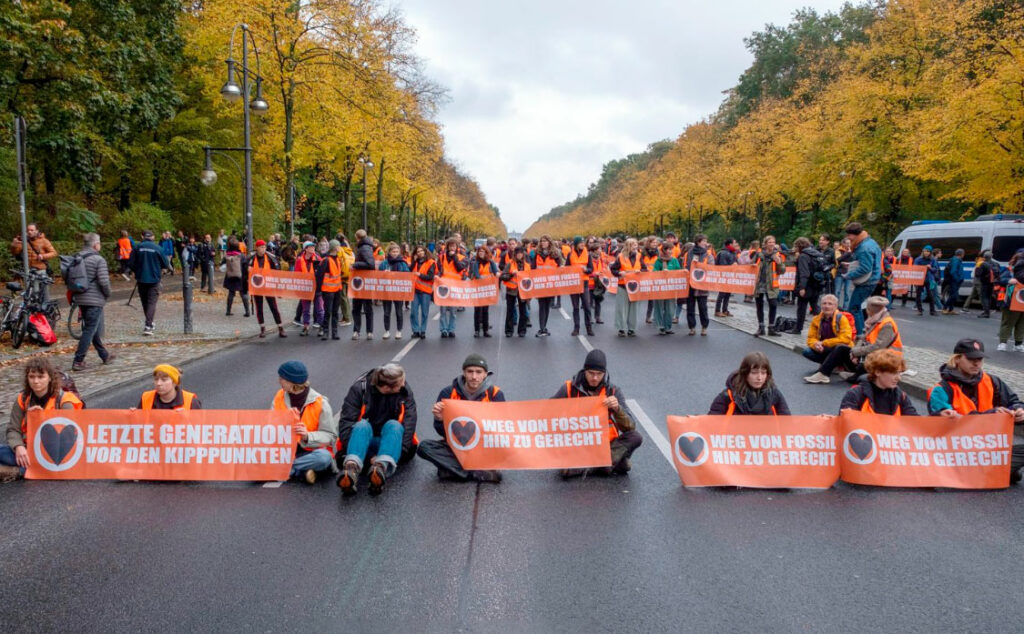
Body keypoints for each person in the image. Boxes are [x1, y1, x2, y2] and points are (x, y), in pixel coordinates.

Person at [928, 339, 1024, 483]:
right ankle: (992, 472)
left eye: (979, 359)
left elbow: (1013, 402)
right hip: (958, 454)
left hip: (988, 450)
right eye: (971, 359)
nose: (976, 363)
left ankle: (993, 471)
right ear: (957, 359)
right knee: (1008, 474)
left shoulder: (992, 381)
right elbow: (944, 425)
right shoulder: (941, 390)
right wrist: (990, 415)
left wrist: (1018, 411)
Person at [552, 349, 642, 477]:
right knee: (564, 470)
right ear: (584, 371)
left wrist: (617, 409)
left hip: (604, 444)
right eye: (591, 373)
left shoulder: (613, 390)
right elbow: (547, 414)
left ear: (605, 373)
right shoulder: (569, 388)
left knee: (635, 437)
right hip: (579, 443)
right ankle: (608, 465)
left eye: (599, 374)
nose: (595, 378)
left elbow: (630, 426)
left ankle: (593, 466)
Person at [416, 354, 504, 483]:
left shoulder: (495, 394)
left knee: (502, 451)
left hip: (484, 446)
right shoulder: (448, 393)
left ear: (486, 374)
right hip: (457, 446)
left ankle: (453, 470)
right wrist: (440, 419)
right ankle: (474, 472)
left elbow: (501, 429)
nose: (474, 377)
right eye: (470, 372)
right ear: (464, 373)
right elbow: (442, 432)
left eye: (479, 372)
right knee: (424, 447)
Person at [336, 364, 418, 495]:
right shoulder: (359, 389)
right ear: (386, 388)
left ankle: (379, 468)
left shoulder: (404, 390)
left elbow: (410, 422)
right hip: (362, 443)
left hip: (391, 442)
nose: (403, 385)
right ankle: (351, 470)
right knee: (362, 425)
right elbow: (346, 425)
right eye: (400, 384)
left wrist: (401, 449)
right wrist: (370, 455)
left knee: (394, 425)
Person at [0, 358, 84, 481]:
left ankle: (19, 472)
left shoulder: (65, 401)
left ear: (50, 378)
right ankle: (28, 469)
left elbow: (68, 437)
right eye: (32, 377)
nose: (36, 381)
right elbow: (13, 429)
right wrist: (18, 447)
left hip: (57, 454)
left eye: (41, 377)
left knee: (62, 466)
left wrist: (42, 418)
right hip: (28, 452)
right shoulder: (22, 399)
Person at [808, 296, 902, 384]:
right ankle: (823, 374)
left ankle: (855, 376)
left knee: (862, 374)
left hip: (887, 359)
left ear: (870, 310)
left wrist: (856, 352)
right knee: (840, 348)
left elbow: (878, 347)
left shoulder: (887, 324)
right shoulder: (875, 320)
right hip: (873, 355)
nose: (866, 311)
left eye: (867, 309)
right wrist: (855, 352)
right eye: (824, 303)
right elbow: (863, 339)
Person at [272, 361, 337, 484]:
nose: (279, 381)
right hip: (285, 451)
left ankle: (283, 470)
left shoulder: (321, 403)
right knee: (254, 454)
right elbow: (269, 425)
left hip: (310, 453)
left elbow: (330, 436)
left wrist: (307, 436)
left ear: (291, 382)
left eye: (281, 378)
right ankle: (300, 472)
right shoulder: (279, 396)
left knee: (324, 458)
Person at [71, 233, 114, 371]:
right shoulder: (98, 259)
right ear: (96, 244)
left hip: (81, 298)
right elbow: (103, 281)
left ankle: (104, 355)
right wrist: (108, 293)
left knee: (91, 327)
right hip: (94, 299)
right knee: (89, 330)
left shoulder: (77, 257)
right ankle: (78, 360)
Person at [708, 352, 791, 415]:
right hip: (736, 436)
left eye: (763, 373)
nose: (759, 377)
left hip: (766, 436)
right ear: (745, 373)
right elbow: (712, 423)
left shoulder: (774, 393)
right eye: (754, 373)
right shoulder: (728, 396)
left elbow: (786, 423)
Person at [839, 349, 918, 415]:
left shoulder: (901, 396)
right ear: (878, 372)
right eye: (894, 373)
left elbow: (914, 422)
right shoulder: (855, 394)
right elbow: (846, 423)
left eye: (899, 373)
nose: (899, 378)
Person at [802, 294, 855, 384]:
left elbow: (846, 339)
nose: (827, 306)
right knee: (807, 352)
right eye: (824, 303)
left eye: (830, 304)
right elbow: (810, 338)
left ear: (835, 306)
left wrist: (824, 343)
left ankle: (823, 374)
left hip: (842, 350)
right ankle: (830, 365)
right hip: (825, 348)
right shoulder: (816, 319)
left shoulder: (842, 318)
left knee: (839, 347)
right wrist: (816, 345)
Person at [841, 223, 882, 335]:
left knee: (854, 308)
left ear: (855, 234)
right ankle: (864, 331)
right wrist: (851, 265)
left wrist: (849, 275)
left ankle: (860, 334)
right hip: (873, 279)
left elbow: (865, 268)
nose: (848, 238)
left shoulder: (863, 248)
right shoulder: (870, 242)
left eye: (849, 235)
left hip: (867, 281)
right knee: (860, 307)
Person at [129, 229, 172, 336]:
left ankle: (149, 323)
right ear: (152, 237)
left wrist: (137, 270)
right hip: (154, 279)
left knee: (145, 302)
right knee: (152, 302)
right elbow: (166, 263)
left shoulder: (137, 247)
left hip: (141, 279)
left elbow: (130, 263)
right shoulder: (158, 248)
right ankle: (148, 326)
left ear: (142, 236)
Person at [249, 240, 287, 338]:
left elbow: (277, 273)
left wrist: (279, 289)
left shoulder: (270, 258)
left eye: (264, 247)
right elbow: (245, 272)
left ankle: (280, 328)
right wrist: (247, 270)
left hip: (269, 287)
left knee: (274, 307)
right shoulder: (251, 259)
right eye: (261, 247)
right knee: (259, 308)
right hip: (257, 287)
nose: (263, 249)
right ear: (256, 248)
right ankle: (262, 328)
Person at [752, 235, 786, 337]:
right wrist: (753, 266)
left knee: (773, 304)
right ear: (765, 244)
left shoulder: (777, 255)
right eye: (770, 242)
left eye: (773, 242)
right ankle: (761, 327)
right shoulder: (759, 254)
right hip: (760, 283)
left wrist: (779, 263)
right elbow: (750, 265)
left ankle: (771, 328)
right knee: (759, 305)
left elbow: (782, 271)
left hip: (771, 285)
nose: (772, 244)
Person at [610, 237, 644, 337]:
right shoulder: (620, 256)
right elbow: (613, 269)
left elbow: (645, 269)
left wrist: (640, 272)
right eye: (633, 245)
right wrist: (620, 273)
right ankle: (621, 328)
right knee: (622, 308)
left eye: (636, 245)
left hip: (636, 287)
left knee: (634, 309)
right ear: (628, 246)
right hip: (623, 286)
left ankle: (632, 329)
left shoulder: (639, 256)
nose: (636, 247)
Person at [531, 235, 563, 337]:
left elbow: (560, 266)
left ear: (549, 242)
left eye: (545, 241)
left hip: (550, 284)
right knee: (541, 306)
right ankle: (542, 328)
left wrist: (561, 268)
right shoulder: (537, 254)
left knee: (547, 306)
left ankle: (544, 327)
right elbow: (532, 268)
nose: (543, 243)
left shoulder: (555, 254)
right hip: (540, 284)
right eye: (542, 241)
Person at [375, 242, 409, 340]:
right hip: (387, 292)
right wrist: (383, 273)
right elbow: (378, 275)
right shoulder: (384, 263)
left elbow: (407, 275)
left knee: (399, 312)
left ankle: (399, 331)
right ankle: (387, 331)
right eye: (393, 251)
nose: (395, 253)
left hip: (398, 292)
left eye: (397, 251)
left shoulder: (402, 263)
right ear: (389, 252)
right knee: (386, 312)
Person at [315, 240, 346, 341]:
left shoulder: (337, 259)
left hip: (337, 289)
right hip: (327, 290)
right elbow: (319, 276)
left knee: (335, 312)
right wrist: (319, 290)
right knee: (328, 312)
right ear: (334, 248)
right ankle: (325, 332)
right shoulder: (326, 260)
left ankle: (334, 332)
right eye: (338, 246)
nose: (340, 248)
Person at [437, 238, 467, 338]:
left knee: (453, 311)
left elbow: (459, 268)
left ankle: (452, 329)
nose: (452, 248)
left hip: (455, 287)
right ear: (447, 247)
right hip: (443, 286)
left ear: (457, 247)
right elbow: (439, 270)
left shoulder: (462, 257)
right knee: (443, 310)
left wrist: (454, 257)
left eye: (454, 246)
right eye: (450, 246)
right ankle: (443, 329)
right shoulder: (442, 257)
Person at [649, 241, 681, 335]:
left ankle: (668, 327)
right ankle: (660, 327)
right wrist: (662, 272)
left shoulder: (674, 260)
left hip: (671, 288)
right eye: (669, 249)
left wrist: (672, 273)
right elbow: (654, 272)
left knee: (670, 308)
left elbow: (679, 272)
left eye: (672, 249)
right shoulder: (658, 261)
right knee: (659, 307)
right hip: (660, 288)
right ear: (664, 250)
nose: (671, 251)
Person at [792, 237, 823, 334]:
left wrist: (802, 287)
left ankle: (798, 328)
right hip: (816, 283)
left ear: (799, 246)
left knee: (801, 307)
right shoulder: (816, 253)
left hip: (807, 285)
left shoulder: (803, 256)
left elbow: (804, 273)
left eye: (796, 246)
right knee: (815, 306)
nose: (795, 248)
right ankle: (826, 325)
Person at [684, 234, 713, 336]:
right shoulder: (689, 253)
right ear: (698, 242)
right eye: (704, 241)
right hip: (691, 284)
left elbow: (712, 267)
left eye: (706, 241)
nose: (706, 243)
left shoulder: (708, 255)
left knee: (703, 307)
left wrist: (702, 266)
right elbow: (685, 266)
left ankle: (704, 327)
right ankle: (692, 327)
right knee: (690, 307)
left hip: (703, 284)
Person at [137, 364, 201, 410]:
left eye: (164, 380)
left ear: (174, 382)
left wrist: (185, 419)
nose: (158, 383)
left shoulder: (191, 401)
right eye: (156, 379)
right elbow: (138, 424)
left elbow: (200, 426)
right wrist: (132, 416)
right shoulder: (146, 398)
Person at [566, 237, 594, 337]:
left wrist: (586, 269)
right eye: (581, 243)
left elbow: (591, 269)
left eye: (583, 243)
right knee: (576, 307)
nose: (583, 244)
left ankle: (589, 328)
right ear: (576, 244)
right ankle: (576, 328)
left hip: (584, 283)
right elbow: (566, 268)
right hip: (574, 283)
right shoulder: (570, 254)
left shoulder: (588, 254)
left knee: (587, 306)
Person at [997, 249, 1024, 351]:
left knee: (1021, 323)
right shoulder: (1010, 269)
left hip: (1021, 300)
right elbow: (999, 280)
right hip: (1010, 300)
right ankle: (1003, 342)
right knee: (1008, 322)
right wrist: (1009, 280)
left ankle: (1018, 343)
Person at [501, 246, 531, 337]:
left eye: (521, 253)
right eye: (518, 253)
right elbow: (503, 276)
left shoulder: (527, 265)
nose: (519, 255)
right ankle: (509, 330)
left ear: (523, 255)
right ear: (515, 254)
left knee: (523, 311)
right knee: (510, 310)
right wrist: (511, 274)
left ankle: (522, 330)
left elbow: (530, 278)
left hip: (523, 290)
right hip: (511, 290)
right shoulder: (510, 264)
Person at [470, 244, 498, 338]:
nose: (481, 253)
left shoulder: (491, 263)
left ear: (486, 253)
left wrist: (498, 274)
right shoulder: (476, 263)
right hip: (478, 289)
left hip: (487, 290)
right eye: (479, 252)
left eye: (483, 251)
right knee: (477, 310)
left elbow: (496, 272)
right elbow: (477, 275)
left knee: (485, 310)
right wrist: (486, 278)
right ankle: (477, 330)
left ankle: (486, 330)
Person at [410, 245, 435, 338]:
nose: (419, 253)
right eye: (418, 251)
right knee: (413, 312)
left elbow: (430, 276)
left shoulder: (431, 262)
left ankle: (423, 330)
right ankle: (415, 330)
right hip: (415, 291)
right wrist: (414, 261)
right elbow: (408, 271)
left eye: (421, 251)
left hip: (425, 291)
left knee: (424, 312)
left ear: (425, 252)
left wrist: (420, 275)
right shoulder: (414, 262)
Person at [222, 236, 250, 318]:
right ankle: (247, 311)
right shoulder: (241, 256)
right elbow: (246, 267)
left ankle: (228, 311)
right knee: (243, 294)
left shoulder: (227, 255)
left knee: (231, 293)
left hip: (230, 276)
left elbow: (222, 265)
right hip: (240, 277)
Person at [913, 245, 942, 316]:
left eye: (928, 251)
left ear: (930, 252)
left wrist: (930, 268)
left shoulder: (932, 260)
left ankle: (932, 311)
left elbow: (935, 270)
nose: (926, 252)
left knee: (931, 295)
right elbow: (914, 268)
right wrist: (922, 267)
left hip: (929, 279)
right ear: (923, 251)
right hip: (920, 279)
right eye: (925, 251)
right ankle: (919, 310)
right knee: (918, 295)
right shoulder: (918, 259)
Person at [714, 238, 738, 317]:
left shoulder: (733, 253)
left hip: (731, 276)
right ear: (730, 244)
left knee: (728, 294)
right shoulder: (724, 253)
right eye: (735, 243)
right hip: (723, 277)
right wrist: (732, 266)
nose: (736, 244)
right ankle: (717, 311)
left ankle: (725, 310)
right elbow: (722, 266)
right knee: (722, 294)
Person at [940, 248, 965, 314]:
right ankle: (945, 308)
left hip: (954, 280)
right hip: (954, 280)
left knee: (952, 295)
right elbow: (953, 271)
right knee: (954, 295)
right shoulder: (956, 260)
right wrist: (957, 279)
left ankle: (951, 309)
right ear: (961, 254)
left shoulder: (956, 260)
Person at [974, 250, 996, 319]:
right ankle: (987, 311)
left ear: (984, 257)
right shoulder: (995, 264)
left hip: (985, 283)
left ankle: (986, 313)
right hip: (992, 283)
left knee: (984, 298)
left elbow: (977, 274)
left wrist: (977, 267)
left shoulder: (982, 264)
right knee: (989, 297)